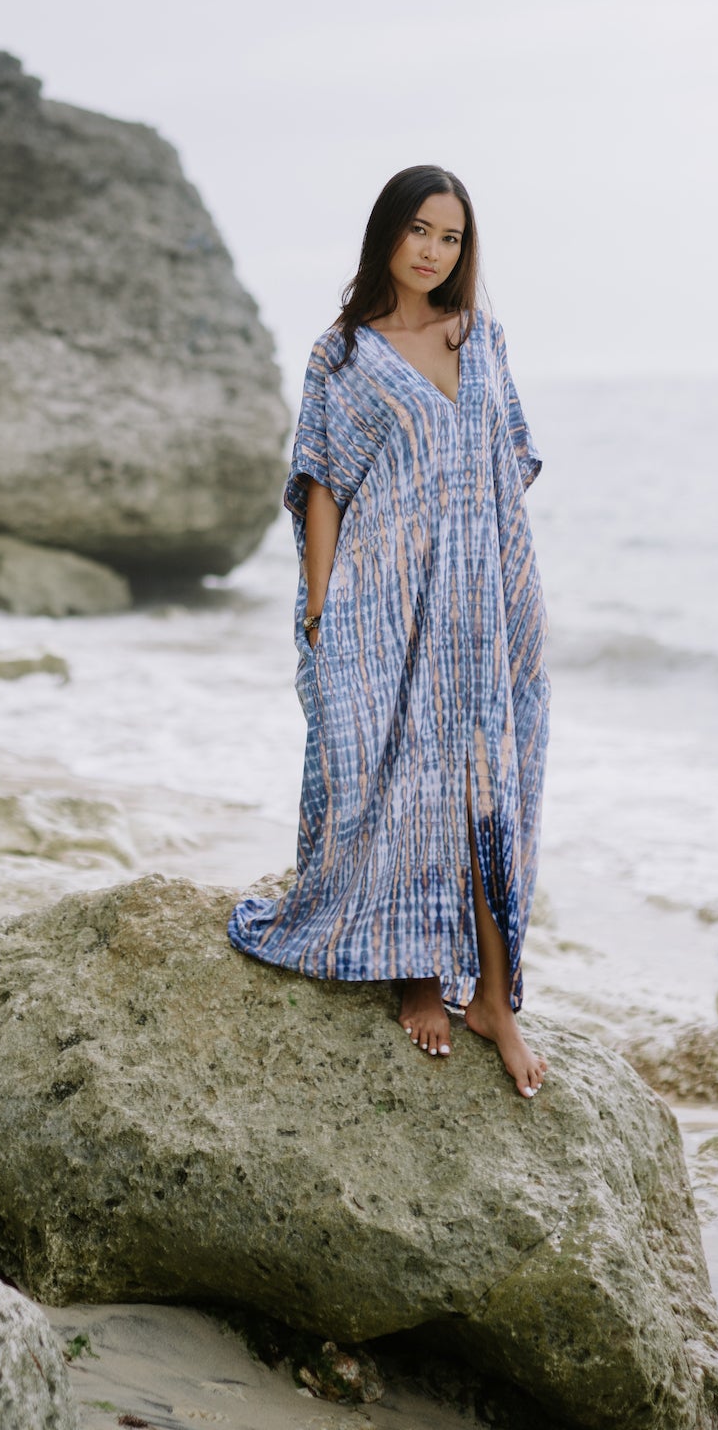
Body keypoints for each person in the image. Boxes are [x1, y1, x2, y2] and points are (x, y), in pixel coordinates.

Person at [228, 165, 550, 1097]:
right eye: (418, 230)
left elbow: (504, 468)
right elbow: (322, 484)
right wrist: (322, 605)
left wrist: (505, 591)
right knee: (399, 775)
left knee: (487, 779)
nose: (433, 250)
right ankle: (416, 975)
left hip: (482, 597)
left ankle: (494, 998)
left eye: (449, 237)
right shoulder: (341, 354)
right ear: (386, 235)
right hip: (378, 597)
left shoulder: (480, 339)